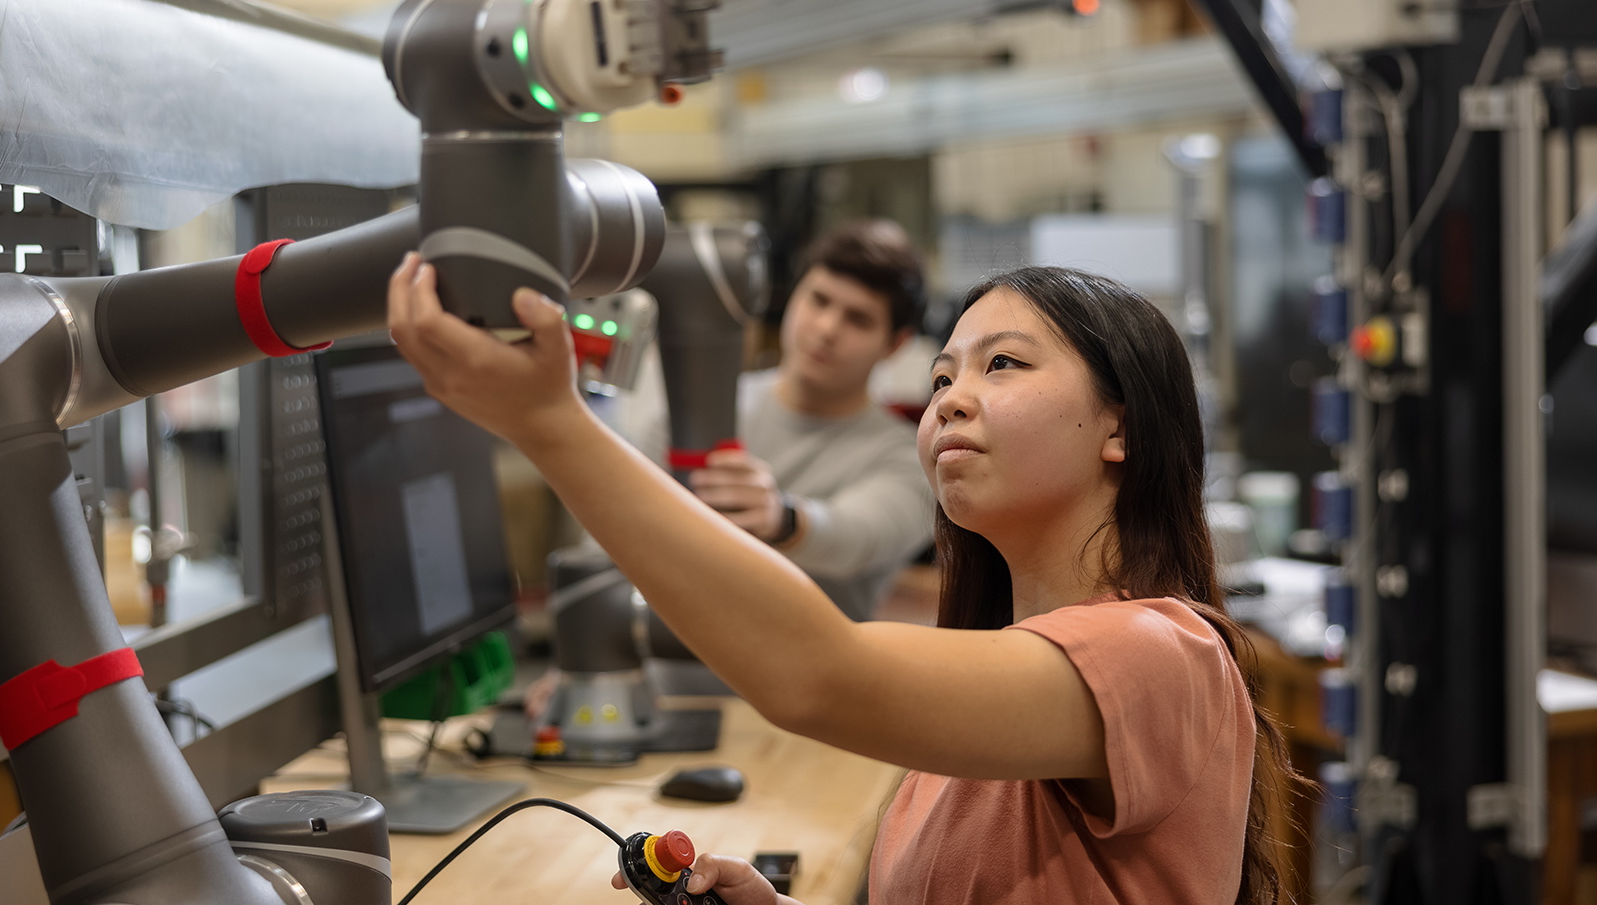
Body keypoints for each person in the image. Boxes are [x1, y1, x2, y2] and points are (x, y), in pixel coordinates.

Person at [388, 258, 1298, 904]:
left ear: (1120, 430)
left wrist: (553, 424)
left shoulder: (1157, 655)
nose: (950, 396)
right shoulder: (994, 676)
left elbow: (817, 674)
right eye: (942, 375)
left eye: (1002, 364)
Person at [690, 219, 934, 621]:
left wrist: (780, 518)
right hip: (662, 671)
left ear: (895, 344)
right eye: (818, 300)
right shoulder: (699, 407)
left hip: (801, 681)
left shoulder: (913, 459)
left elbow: (854, 538)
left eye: (858, 319)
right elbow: (616, 539)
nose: (826, 329)